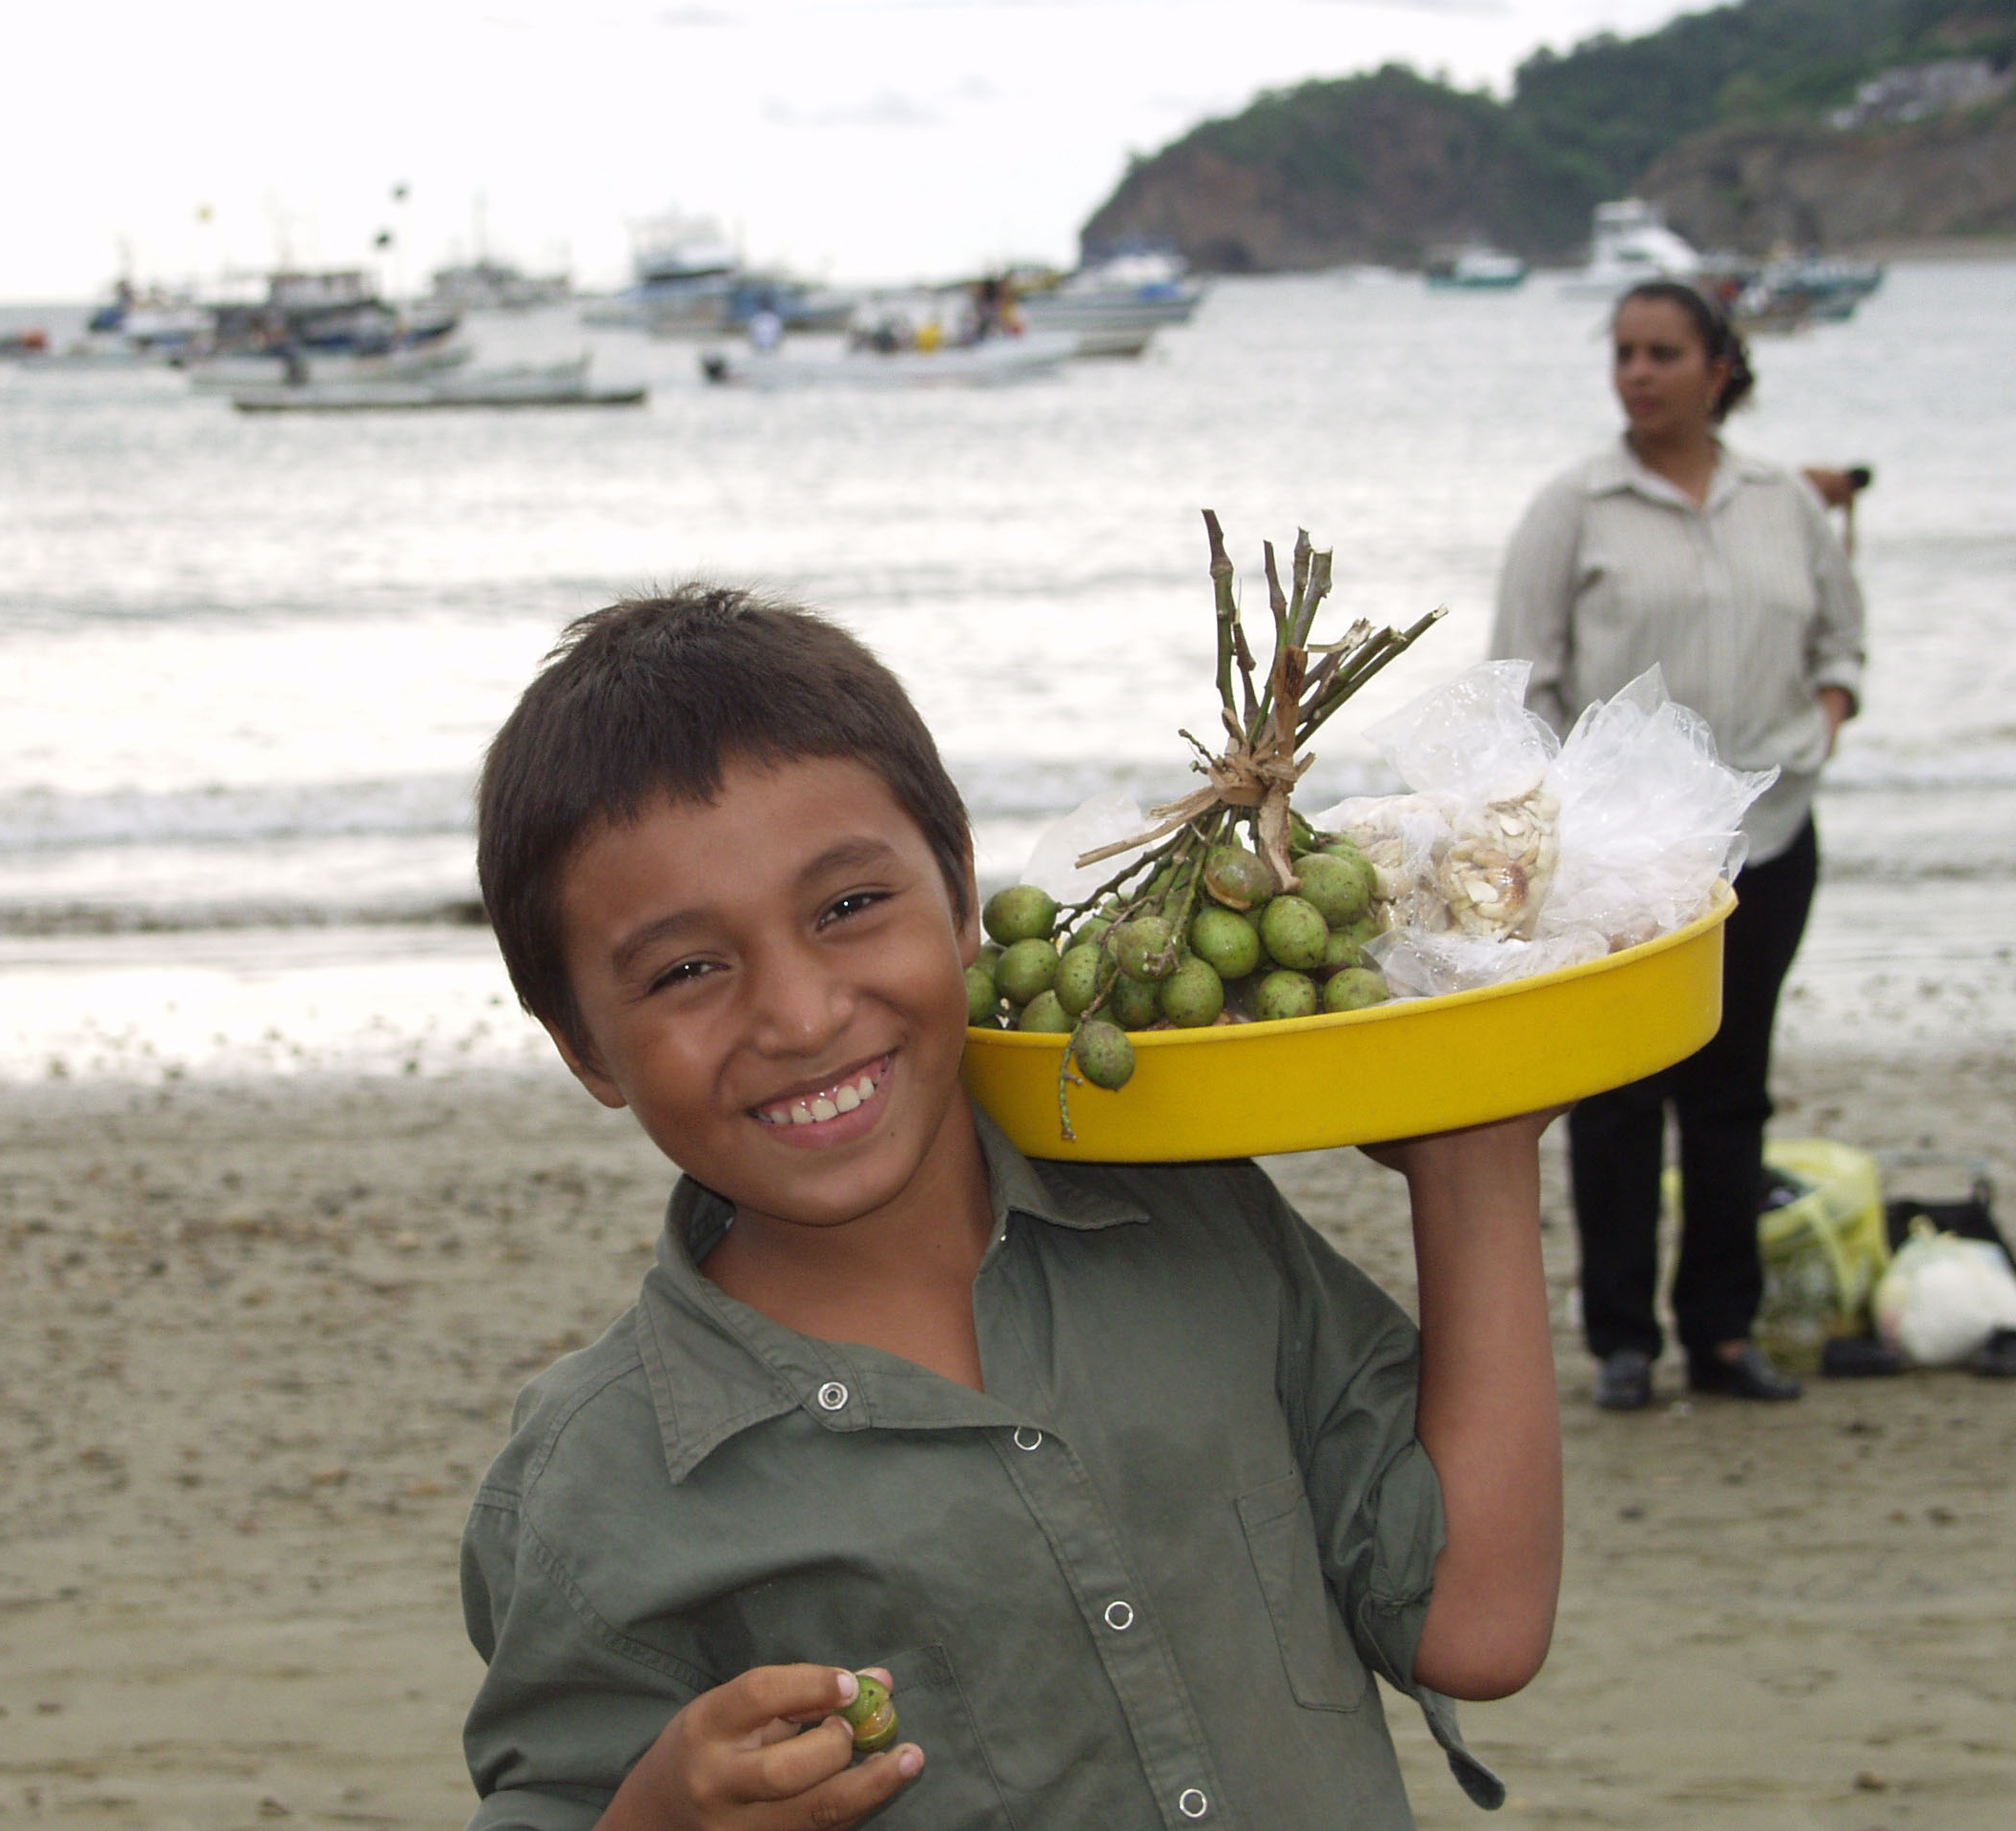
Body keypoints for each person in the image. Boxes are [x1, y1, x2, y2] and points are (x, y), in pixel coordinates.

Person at [461, 586, 1566, 1827]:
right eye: (686, 971)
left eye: (846, 908)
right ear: (584, 1050)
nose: (802, 1013)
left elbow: (1474, 1623)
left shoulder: (1190, 1216)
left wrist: (1476, 1159)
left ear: (963, 894)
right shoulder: (593, 1485)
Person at [1490, 281, 1866, 1414]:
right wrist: (1567, 813)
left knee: (1729, 1092)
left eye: (1662, 353)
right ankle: (1620, 1342)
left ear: (1718, 369)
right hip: (1620, 861)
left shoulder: (1781, 503)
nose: (1636, 373)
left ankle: (1721, 1333)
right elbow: (1520, 676)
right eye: (1622, 353)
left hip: (1771, 837)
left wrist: (1825, 724)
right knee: (1613, 1098)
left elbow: (1842, 637)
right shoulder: (1575, 505)